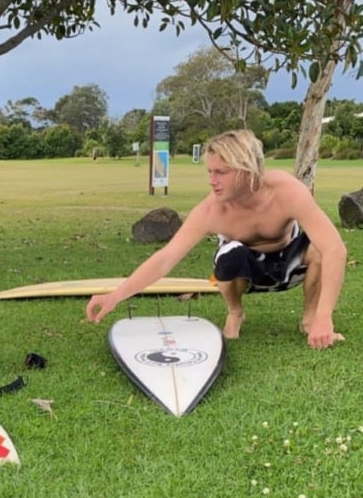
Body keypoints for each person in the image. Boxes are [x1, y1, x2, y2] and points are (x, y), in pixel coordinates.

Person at [86, 129, 347, 350]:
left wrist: (325, 316)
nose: (212, 181)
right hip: (245, 271)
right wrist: (116, 295)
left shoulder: (285, 190)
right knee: (228, 254)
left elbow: (336, 248)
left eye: (221, 172)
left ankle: (312, 320)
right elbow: (166, 258)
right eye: (210, 172)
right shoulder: (211, 211)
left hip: (290, 264)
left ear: (246, 170)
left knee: (321, 249)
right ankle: (235, 312)